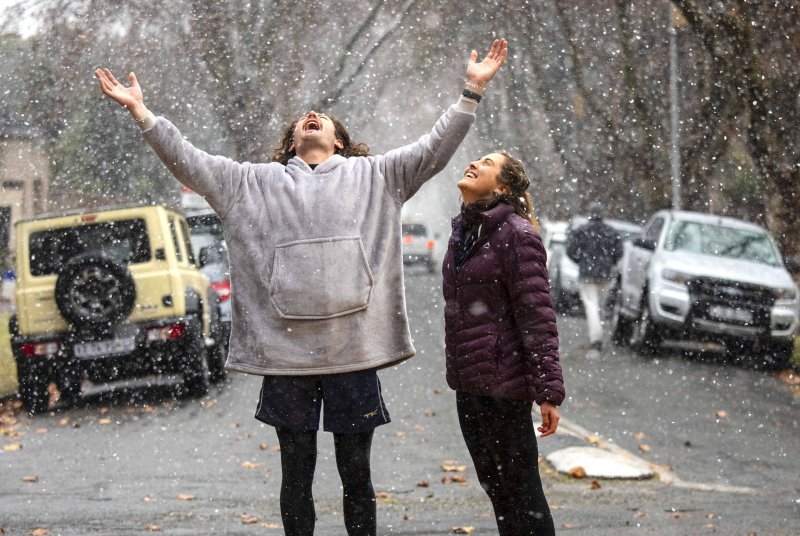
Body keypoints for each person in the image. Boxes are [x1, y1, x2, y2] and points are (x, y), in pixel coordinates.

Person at [95, 38, 507, 536]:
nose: (311, 115)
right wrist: (142, 113)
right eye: (303, 119)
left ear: (339, 142)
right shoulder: (250, 183)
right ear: (293, 143)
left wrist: (472, 91)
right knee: (297, 475)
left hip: (352, 355)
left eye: (323, 117)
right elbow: (188, 160)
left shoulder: (378, 176)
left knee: (357, 475)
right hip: (286, 358)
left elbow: (436, 148)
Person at [442, 151, 565, 536]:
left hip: (503, 386)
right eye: (476, 158)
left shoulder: (517, 234)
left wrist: (547, 391)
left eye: (488, 163)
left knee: (522, 493)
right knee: (497, 490)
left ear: (502, 186)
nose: (475, 163)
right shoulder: (463, 231)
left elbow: (537, 317)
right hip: (469, 385)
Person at [565, 202, 623, 351]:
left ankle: (596, 339)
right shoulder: (611, 232)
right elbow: (619, 252)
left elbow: (570, 249)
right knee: (600, 306)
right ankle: (598, 337)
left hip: (587, 274)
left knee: (591, 306)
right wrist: (610, 262)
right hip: (605, 274)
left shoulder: (581, 231)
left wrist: (580, 261)